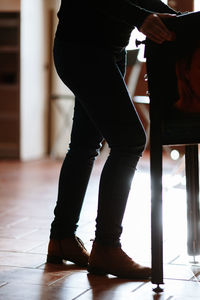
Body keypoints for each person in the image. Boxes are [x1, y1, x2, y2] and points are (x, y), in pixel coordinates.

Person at [47, 0, 177, 279]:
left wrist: (179, 20)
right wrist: (142, 18)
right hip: (84, 49)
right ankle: (106, 246)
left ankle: (62, 238)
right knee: (129, 141)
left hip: (102, 51)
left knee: (84, 145)